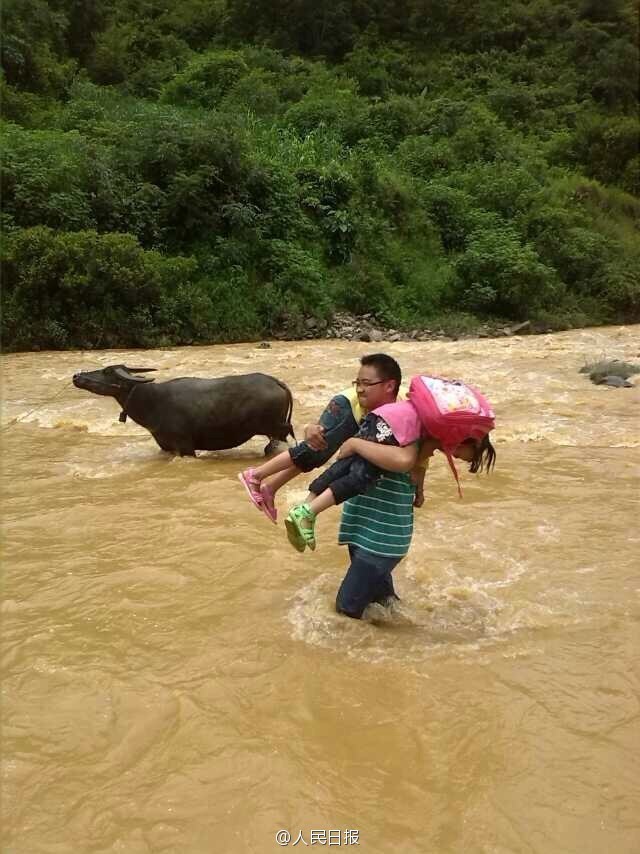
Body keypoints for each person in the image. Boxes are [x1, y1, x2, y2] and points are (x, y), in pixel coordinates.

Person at [238, 354, 424, 522]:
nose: (360, 388)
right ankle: (256, 475)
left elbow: (419, 454)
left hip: (367, 416)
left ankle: (271, 488)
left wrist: (419, 489)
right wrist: (310, 428)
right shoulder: (365, 399)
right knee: (317, 447)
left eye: (365, 383)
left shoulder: (407, 412)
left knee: (326, 455)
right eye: (358, 383)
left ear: (390, 386)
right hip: (348, 406)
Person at [329, 433, 496, 619]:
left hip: (379, 538)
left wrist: (354, 443)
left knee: (345, 611)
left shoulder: (412, 445)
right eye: (469, 455)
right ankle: (403, 641)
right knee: (383, 604)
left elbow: (408, 459)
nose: (458, 458)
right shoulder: (413, 437)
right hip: (370, 530)